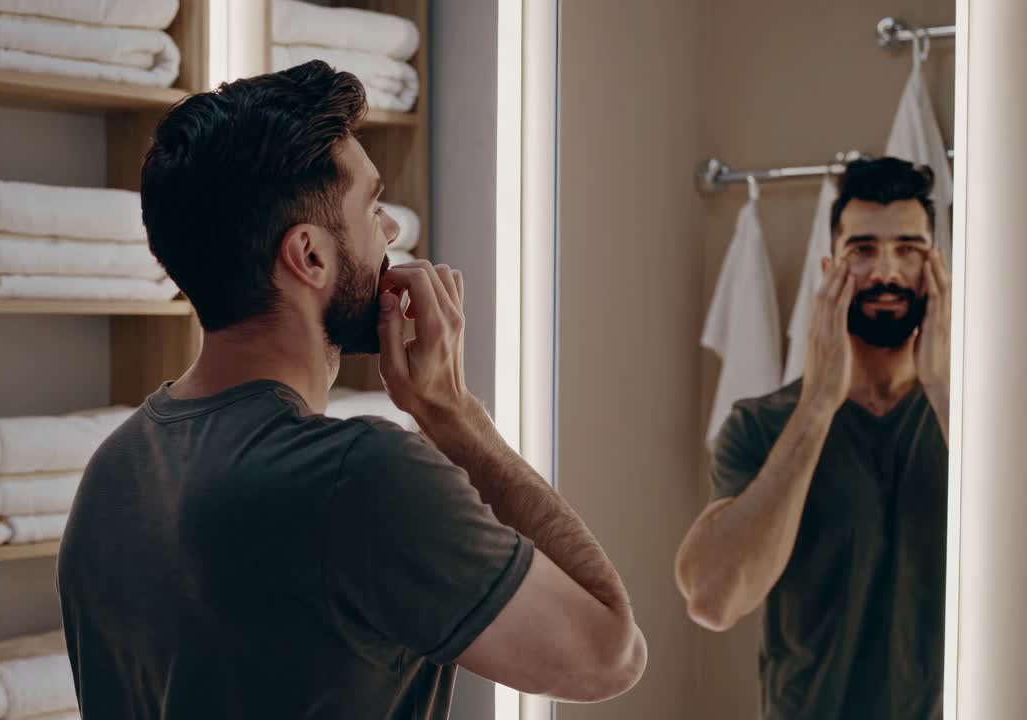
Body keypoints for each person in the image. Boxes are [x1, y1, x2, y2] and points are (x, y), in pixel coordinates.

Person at [56, 61, 646, 719]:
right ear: (308, 256)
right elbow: (610, 654)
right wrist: (452, 413)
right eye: (372, 205)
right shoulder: (360, 477)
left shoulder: (111, 473)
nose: (391, 233)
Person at [675, 157, 951, 719]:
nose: (887, 273)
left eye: (909, 250)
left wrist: (944, 389)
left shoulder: (989, 427)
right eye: (863, 250)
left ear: (936, 269)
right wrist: (819, 405)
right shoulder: (762, 425)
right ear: (830, 268)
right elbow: (714, 598)